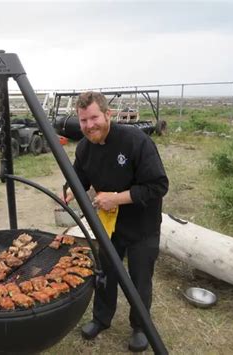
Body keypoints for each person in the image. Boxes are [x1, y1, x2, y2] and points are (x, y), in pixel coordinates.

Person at [62, 91, 168, 352]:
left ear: (108, 114)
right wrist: (68, 188)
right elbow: (78, 179)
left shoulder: (135, 141)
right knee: (105, 272)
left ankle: (140, 326)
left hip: (142, 224)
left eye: (94, 118)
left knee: (140, 278)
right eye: (83, 120)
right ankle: (101, 318)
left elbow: (158, 185)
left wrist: (117, 199)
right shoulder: (85, 148)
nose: (89, 126)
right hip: (109, 224)